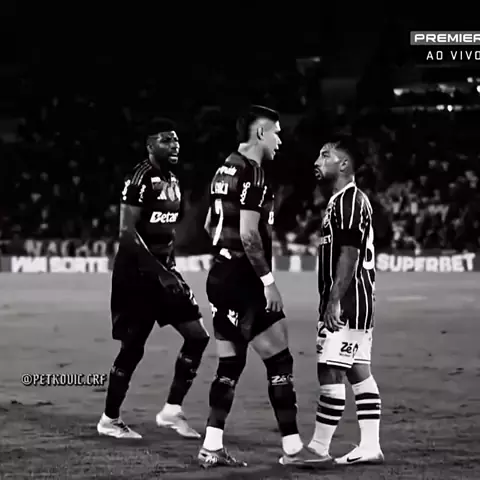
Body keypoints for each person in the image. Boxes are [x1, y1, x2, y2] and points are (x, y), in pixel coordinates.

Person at [197, 105, 330, 469]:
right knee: (280, 360)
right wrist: (267, 282)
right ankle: (293, 449)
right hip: (244, 281)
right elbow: (248, 235)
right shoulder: (253, 173)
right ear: (260, 133)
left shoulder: (224, 169)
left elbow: (210, 224)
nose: (280, 140)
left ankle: (211, 446)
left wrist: (225, 256)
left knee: (230, 363)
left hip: (219, 276)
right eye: (276, 132)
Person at [97, 119, 209, 439]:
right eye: (165, 140)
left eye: (176, 140)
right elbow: (126, 232)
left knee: (197, 336)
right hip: (136, 275)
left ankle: (171, 411)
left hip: (164, 271)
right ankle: (109, 419)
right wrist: (161, 273)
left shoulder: (173, 180)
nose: (174, 145)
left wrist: (170, 269)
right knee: (133, 347)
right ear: (150, 146)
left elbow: (165, 230)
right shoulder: (139, 178)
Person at [307, 137, 384, 465]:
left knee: (330, 371)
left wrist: (334, 301)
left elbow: (349, 255)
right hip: (358, 302)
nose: (317, 161)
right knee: (358, 372)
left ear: (343, 164)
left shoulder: (349, 201)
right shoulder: (340, 201)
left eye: (325, 155)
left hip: (348, 303)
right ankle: (370, 446)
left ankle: (318, 449)